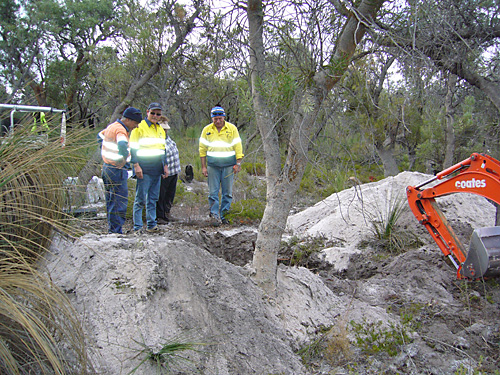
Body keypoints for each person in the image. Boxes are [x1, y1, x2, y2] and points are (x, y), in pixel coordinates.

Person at [98, 107, 142, 234]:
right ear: (128, 120)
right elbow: (122, 145)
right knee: (119, 201)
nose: (136, 126)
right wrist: (123, 159)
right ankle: (116, 231)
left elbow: (99, 136)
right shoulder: (121, 130)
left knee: (111, 200)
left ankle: (113, 230)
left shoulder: (112, 126)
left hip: (107, 167)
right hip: (116, 169)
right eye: (135, 123)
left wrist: (105, 151)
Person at [199, 106, 244, 225]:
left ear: (224, 117)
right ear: (212, 118)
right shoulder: (207, 130)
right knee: (213, 192)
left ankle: (225, 215)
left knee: (227, 192)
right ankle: (214, 215)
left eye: (220, 118)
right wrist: (203, 166)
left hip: (228, 166)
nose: (218, 121)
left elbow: (238, 147)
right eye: (215, 119)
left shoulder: (232, 128)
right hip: (213, 166)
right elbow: (202, 149)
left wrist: (238, 163)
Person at [129, 102, 168, 233]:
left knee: (153, 199)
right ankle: (138, 227)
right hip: (143, 168)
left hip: (157, 168)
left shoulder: (160, 129)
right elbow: (133, 148)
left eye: (158, 114)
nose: (155, 116)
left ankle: (152, 224)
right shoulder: (139, 127)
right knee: (140, 199)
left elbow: (163, 149)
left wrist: (165, 166)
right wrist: (136, 166)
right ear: (147, 112)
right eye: (153, 113)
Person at [156, 116, 181, 224]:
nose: (165, 131)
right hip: (163, 172)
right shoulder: (155, 139)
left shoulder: (167, 138)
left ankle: (167, 213)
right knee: (160, 194)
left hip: (173, 170)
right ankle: (159, 216)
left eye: (165, 129)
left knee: (170, 194)